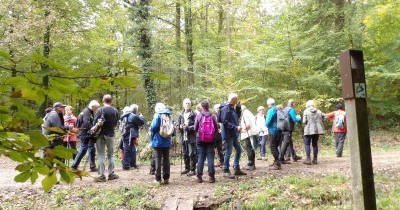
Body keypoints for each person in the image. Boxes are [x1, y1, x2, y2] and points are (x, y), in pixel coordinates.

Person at [220, 93, 247, 178]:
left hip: (234, 133)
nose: (237, 100)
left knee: (238, 150)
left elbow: (236, 117)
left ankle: (236, 168)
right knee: (228, 151)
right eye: (236, 99)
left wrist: (238, 108)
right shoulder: (226, 108)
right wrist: (235, 127)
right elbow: (224, 122)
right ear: (232, 99)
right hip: (228, 134)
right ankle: (225, 170)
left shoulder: (232, 108)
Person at [94, 94, 119, 182]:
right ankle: (111, 174)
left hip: (100, 135)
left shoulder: (99, 110)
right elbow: (116, 123)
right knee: (111, 155)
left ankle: (101, 175)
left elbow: (95, 123)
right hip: (111, 135)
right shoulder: (115, 110)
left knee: (101, 155)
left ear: (103, 100)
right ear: (111, 101)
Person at [71, 100, 100, 171]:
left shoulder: (88, 112)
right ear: (92, 106)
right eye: (96, 108)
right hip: (85, 134)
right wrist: (93, 129)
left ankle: (92, 166)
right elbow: (86, 123)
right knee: (83, 149)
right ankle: (74, 166)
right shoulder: (86, 112)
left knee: (92, 149)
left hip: (88, 133)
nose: (96, 110)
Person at [194, 100, 218, 183]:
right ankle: (211, 177)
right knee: (210, 157)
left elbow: (195, 128)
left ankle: (199, 177)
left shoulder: (199, 115)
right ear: (208, 106)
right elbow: (216, 127)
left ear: (202, 106)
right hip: (211, 139)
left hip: (200, 138)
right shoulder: (213, 116)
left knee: (201, 157)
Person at [150, 102, 172, 184]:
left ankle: (158, 178)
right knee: (166, 159)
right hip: (167, 140)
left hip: (158, 140)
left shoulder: (157, 115)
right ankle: (166, 178)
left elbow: (153, 127)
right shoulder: (169, 115)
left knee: (158, 159)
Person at [121, 104, 145, 169]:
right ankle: (126, 165)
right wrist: (142, 117)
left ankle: (132, 164)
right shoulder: (132, 116)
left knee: (131, 149)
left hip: (125, 134)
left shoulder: (124, 115)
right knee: (128, 149)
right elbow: (141, 122)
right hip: (131, 134)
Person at [177, 98, 197, 176]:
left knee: (192, 153)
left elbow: (196, 126)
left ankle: (192, 169)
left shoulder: (194, 114)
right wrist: (180, 127)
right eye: (186, 103)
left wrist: (188, 127)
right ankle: (187, 168)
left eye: (188, 103)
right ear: (183, 105)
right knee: (185, 153)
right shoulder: (180, 115)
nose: (187, 105)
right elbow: (177, 125)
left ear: (191, 104)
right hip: (183, 136)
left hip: (191, 136)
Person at [302, 100, 325, 165]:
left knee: (307, 144)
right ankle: (315, 159)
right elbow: (325, 116)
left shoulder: (306, 111)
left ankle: (308, 159)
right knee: (315, 144)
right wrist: (320, 121)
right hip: (317, 129)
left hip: (308, 129)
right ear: (313, 105)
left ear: (307, 105)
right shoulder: (319, 111)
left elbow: (304, 121)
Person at [240, 105, 258, 171]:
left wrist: (242, 130)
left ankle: (251, 164)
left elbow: (248, 125)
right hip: (252, 132)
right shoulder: (249, 113)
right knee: (251, 148)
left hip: (249, 133)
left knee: (249, 148)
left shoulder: (245, 114)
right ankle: (252, 163)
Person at [265, 98, 281, 170]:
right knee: (276, 146)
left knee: (272, 146)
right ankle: (276, 161)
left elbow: (267, 122)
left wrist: (267, 126)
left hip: (273, 130)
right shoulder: (278, 109)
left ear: (269, 104)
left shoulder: (271, 110)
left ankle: (277, 164)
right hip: (280, 130)